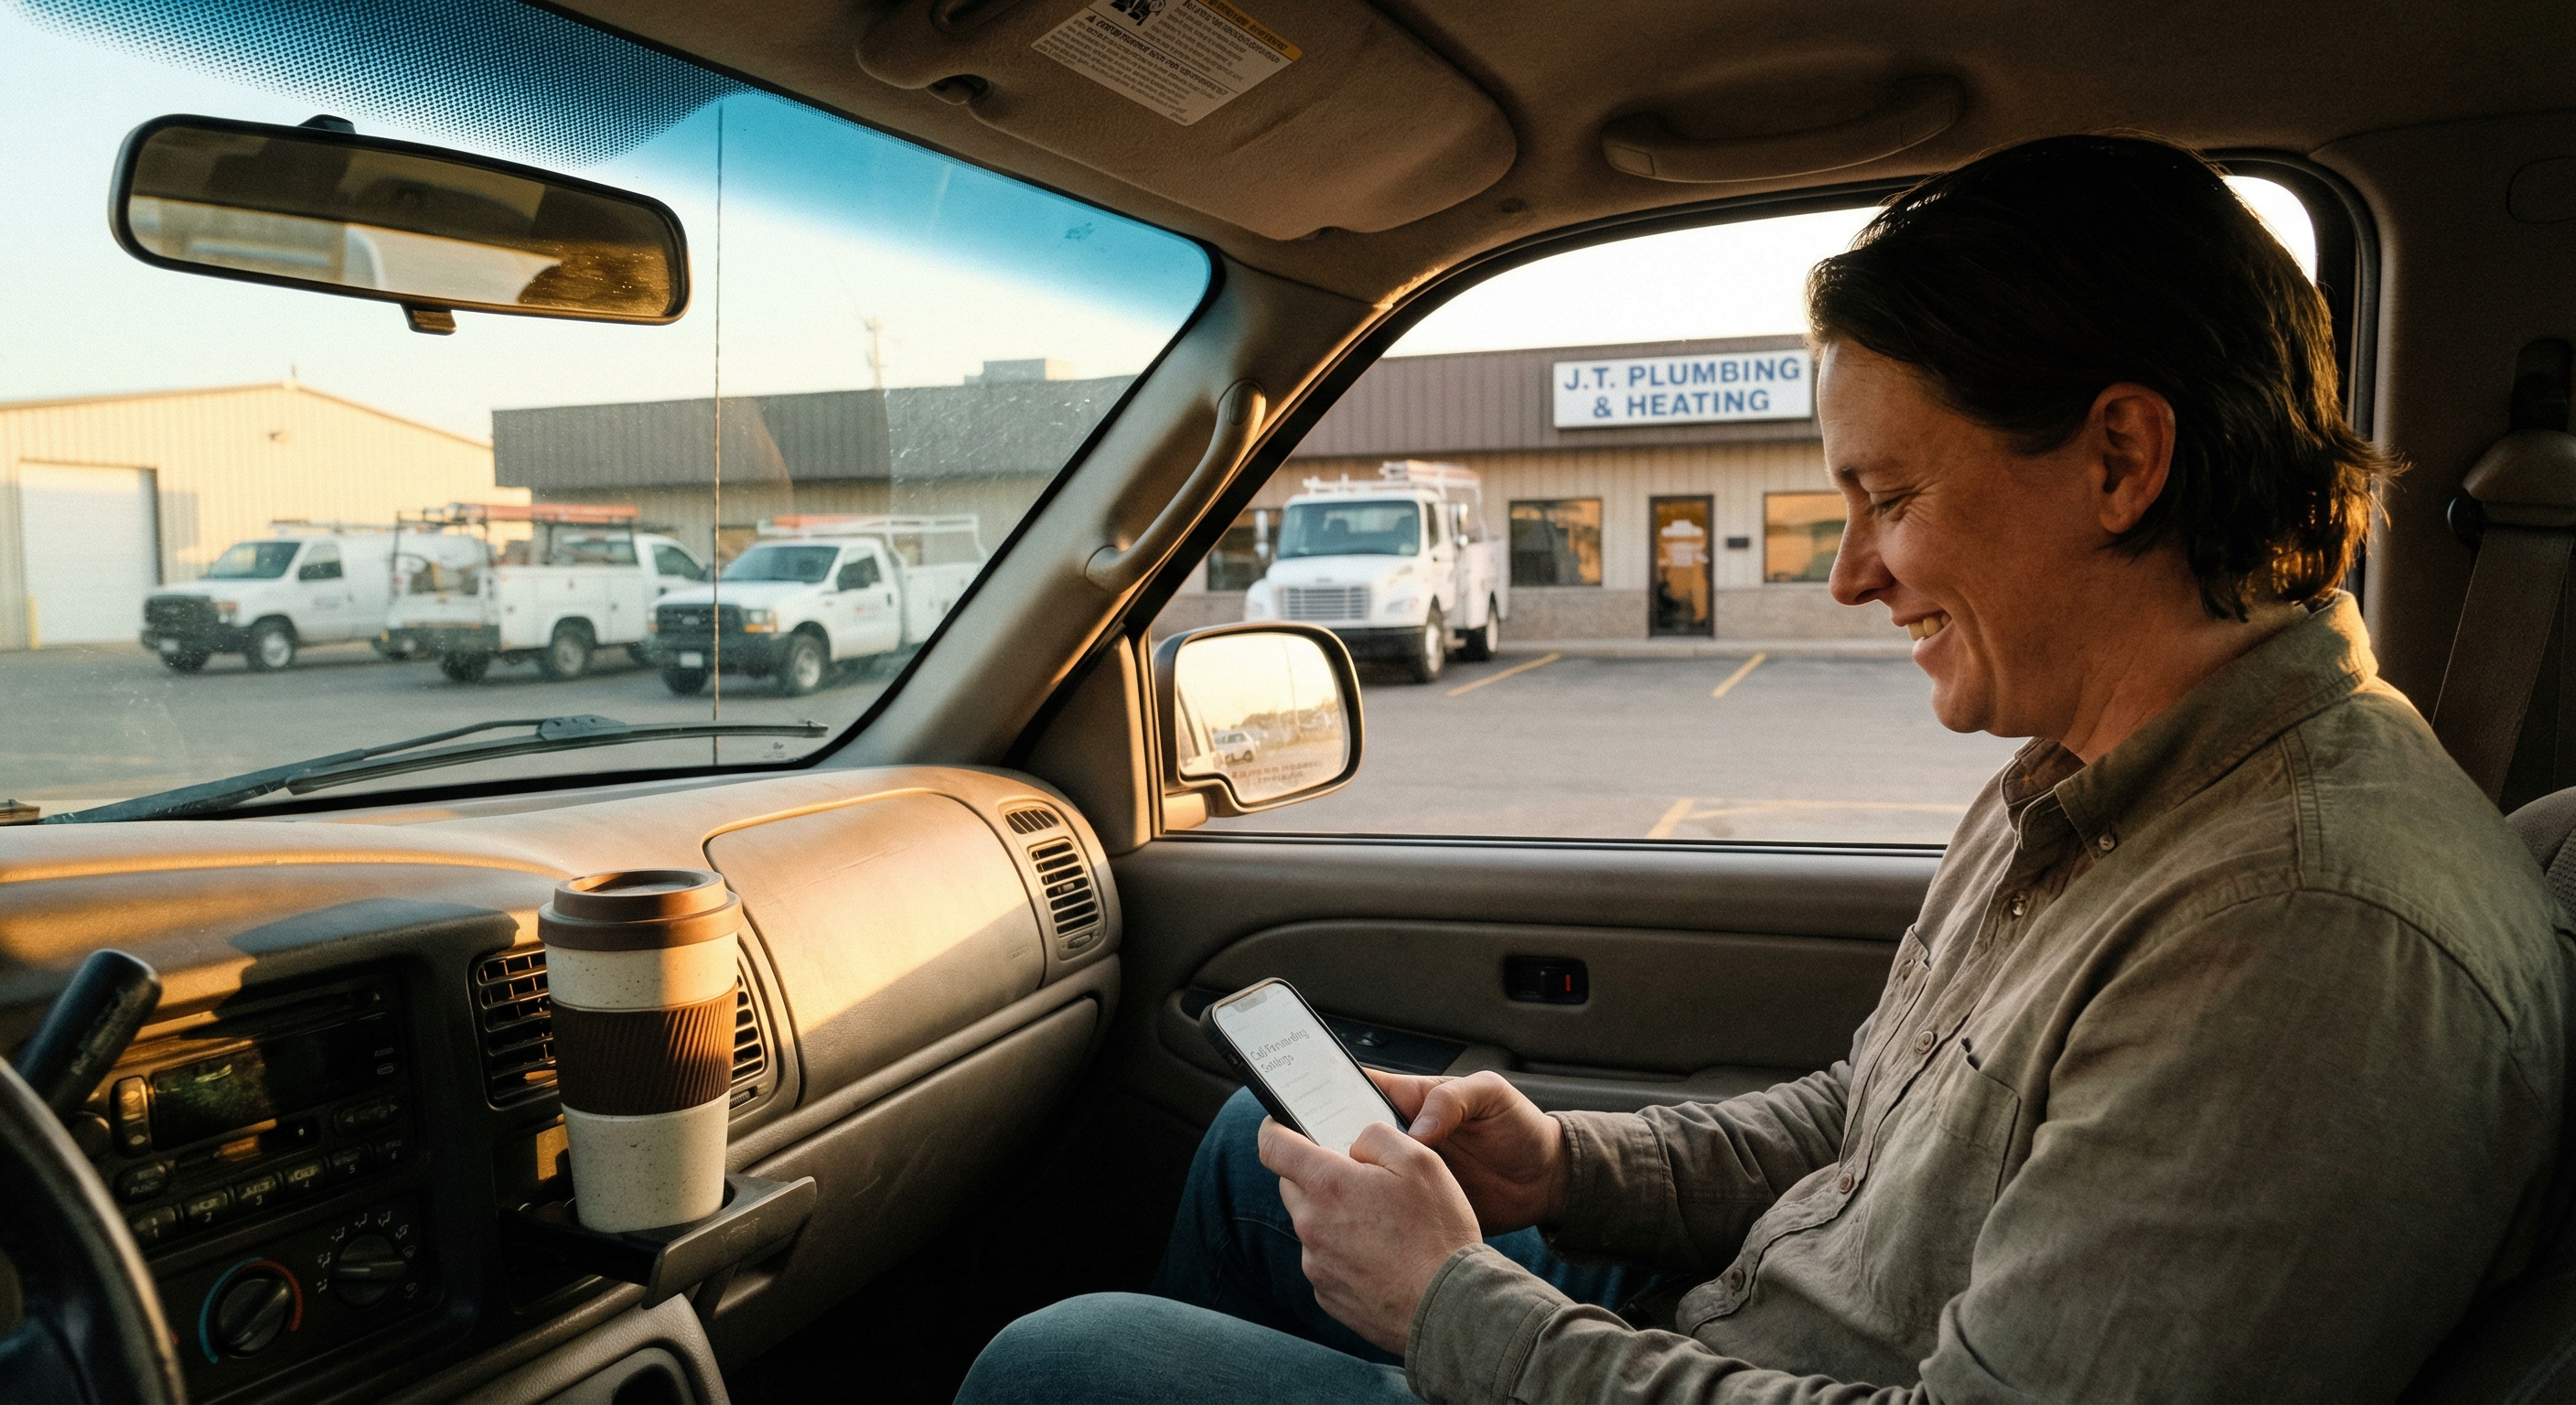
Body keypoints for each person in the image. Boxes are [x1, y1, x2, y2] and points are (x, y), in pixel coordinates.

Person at [956, 134, 2573, 1403]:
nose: (1851, 576)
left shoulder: (2305, 938)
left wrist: (1458, 1308)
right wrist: (1567, 1167)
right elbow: (1867, 1121)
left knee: (1061, 1362)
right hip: (1750, 1323)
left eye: (1885, 495)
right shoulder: (2086, 779)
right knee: (1268, 1153)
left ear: (2121, 461)